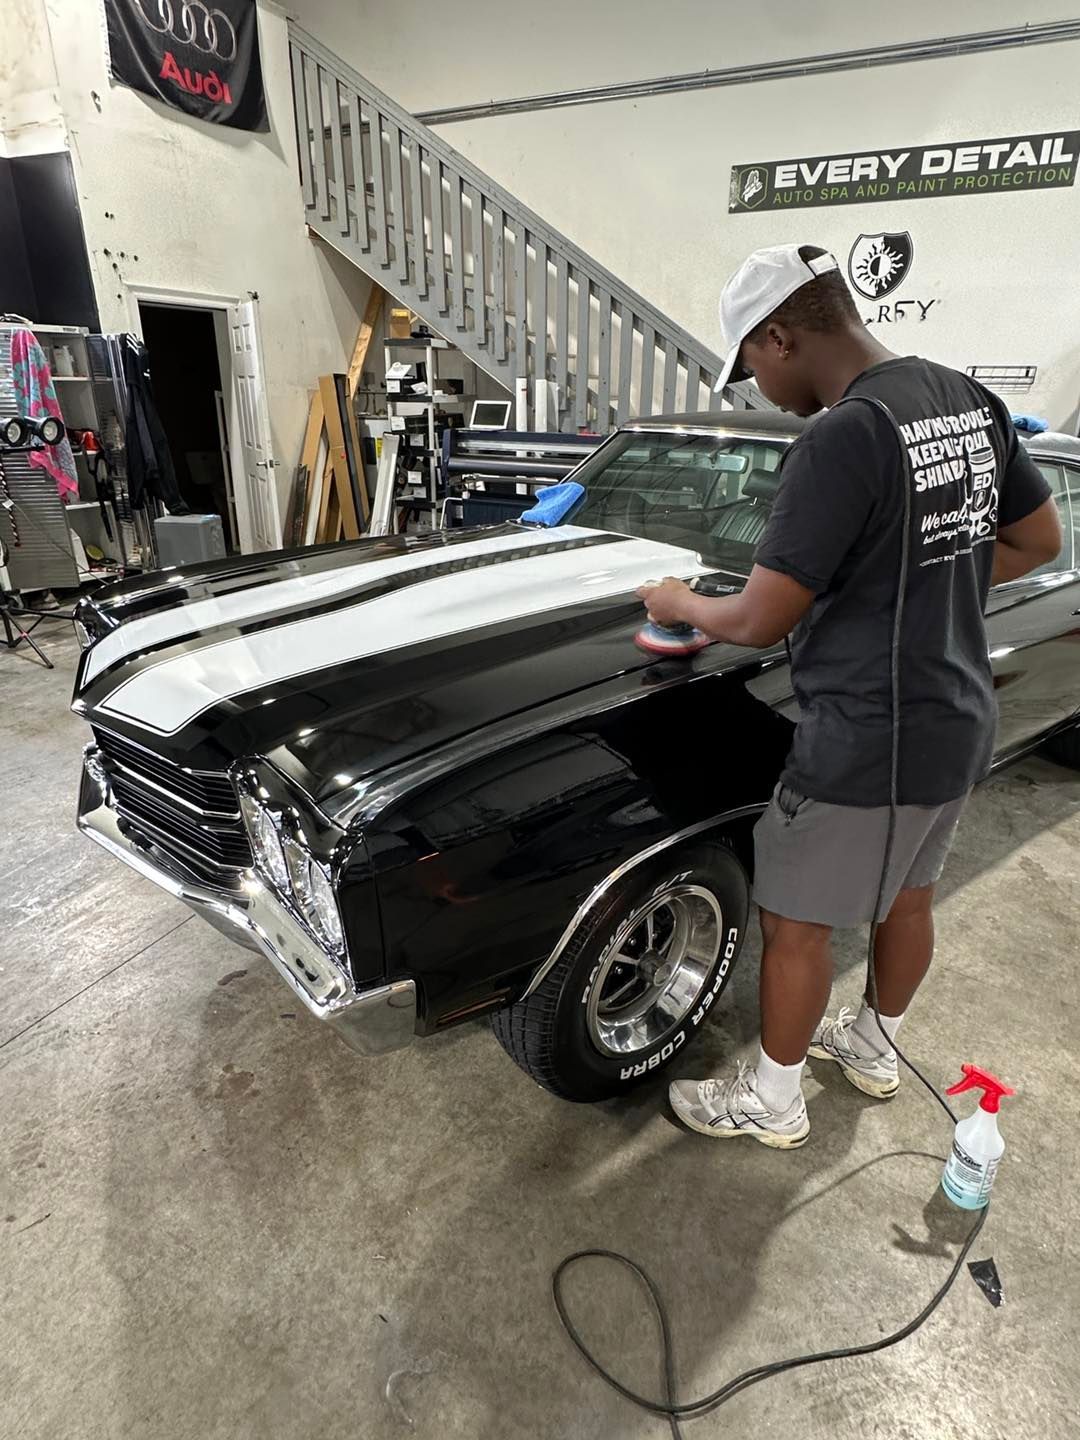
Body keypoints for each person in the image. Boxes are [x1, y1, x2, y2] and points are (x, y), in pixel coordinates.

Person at [642, 243, 1062, 1148]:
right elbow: (1039, 542)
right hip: (956, 716)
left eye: (750, 363)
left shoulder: (844, 435)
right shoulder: (963, 397)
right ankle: (872, 1049)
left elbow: (756, 620)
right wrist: (917, 574)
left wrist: (678, 601)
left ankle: (772, 1099)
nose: (755, 385)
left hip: (870, 734)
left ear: (781, 336)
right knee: (907, 900)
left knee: (794, 923)